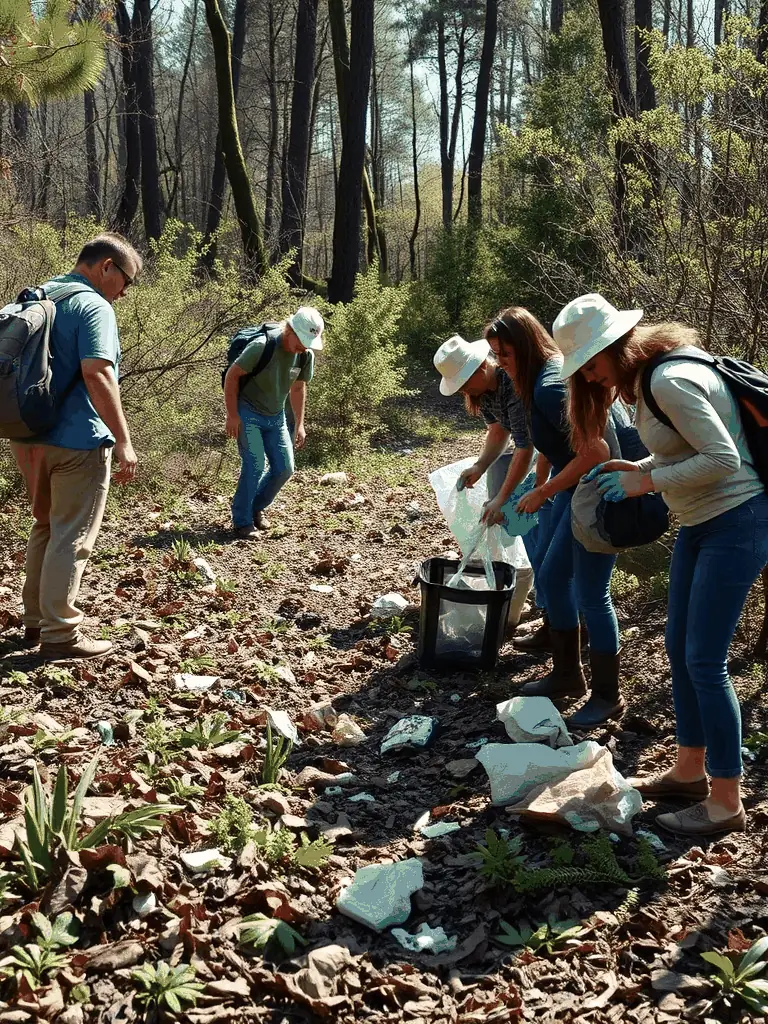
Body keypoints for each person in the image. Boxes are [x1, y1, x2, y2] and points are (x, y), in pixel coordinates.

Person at [560, 292, 767, 836]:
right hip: (701, 522)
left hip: (737, 520)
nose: (593, 379)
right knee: (679, 647)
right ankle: (689, 770)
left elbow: (724, 459)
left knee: (705, 660)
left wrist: (645, 480)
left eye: (594, 365)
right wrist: (645, 464)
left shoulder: (667, 380)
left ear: (616, 346)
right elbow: (687, 449)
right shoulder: (653, 376)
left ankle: (726, 800)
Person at [484, 307, 623, 727]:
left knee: (592, 591)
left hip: (600, 488)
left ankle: (607, 695)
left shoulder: (548, 385)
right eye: (496, 356)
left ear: (525, 348)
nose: (500, 365)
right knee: (550, 574)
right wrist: (541, 483)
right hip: (574, 485)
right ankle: (567, 675)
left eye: (505, 356)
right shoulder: (537, 379)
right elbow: (553, 442)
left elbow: (597, 451)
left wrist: (543, 490)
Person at [9, 233, 141, 660]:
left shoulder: (40, 294)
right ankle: (61, 633)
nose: (124, 293)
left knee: (45, 527)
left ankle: (35, 622)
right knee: (72, 534)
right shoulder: (93, 305)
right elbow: (98, 373)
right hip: (76, 441)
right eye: (126, 281)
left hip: (26, 437)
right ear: (106, 266)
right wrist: (123, 439)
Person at [433, 334, 535, 630]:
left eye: (465, 383)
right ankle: (512, 596)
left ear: (480, 367)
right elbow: (498, 432)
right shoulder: (485, 392)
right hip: (515, 452)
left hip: (539, 453)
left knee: (523, 520)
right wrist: (480, 465)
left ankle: (533, 599)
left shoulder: (511, 384)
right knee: (500, 526)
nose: (464, 390)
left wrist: (503, 497)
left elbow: (526, 448)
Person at [224, 307, 323, 539]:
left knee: (284, 468)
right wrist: (232, 415)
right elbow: (232, 376)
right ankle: (242, 521)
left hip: (275, 415)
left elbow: (298, 388)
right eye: (301, 341)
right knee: (255, 463)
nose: (304, 347)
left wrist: (299, 424)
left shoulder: (305, 355)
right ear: (289, 330)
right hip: (247, 411)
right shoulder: (261, 346)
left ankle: (255, 507)